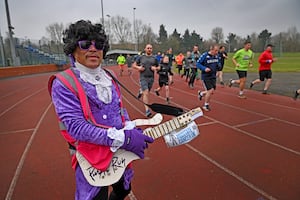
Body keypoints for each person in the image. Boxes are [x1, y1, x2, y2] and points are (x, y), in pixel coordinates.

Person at [48, 20, 154, 200]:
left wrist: (130, 126)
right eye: (84, 44)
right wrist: (125, 137)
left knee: (123, 189)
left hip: (118, 150)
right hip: (91, 156)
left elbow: (119, 110)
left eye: (98, 44)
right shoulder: (64, 83)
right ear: (73, 48)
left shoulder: (109, 76)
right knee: (97, 196)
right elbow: (77, 128)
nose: (93, 49)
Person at [133, 44, 159, 117]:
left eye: (150, 48)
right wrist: (138, 68)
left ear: (152, 50)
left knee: (146, 91)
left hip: (151, 78)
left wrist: (156, 68)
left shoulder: (154, 58)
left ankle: (140, 91)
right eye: (148, 48)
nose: (149, 49)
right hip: (143, 77)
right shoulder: (141, 57)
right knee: (146, 93)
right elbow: (134, 65)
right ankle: (147, 110)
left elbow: (159, 67)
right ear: (145, 49)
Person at [197, 45, 220, 111]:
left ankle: (201, 93)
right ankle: (206, 105)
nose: (217, 52)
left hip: (213, 76)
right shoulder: (205, 55)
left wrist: (218, 71)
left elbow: (218, 64)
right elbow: (198, 64)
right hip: (206, 76)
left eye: (217, 50)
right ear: (211, 50)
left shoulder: (216, 56)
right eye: (216, 50)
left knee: (211, 91)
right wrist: (204, 68)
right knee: (210, 90)